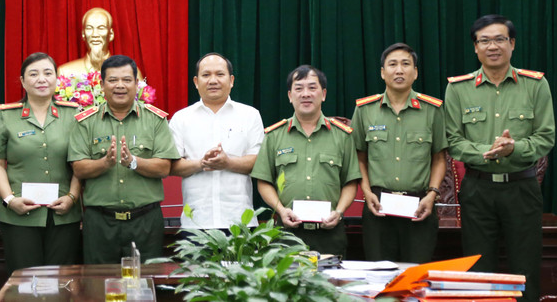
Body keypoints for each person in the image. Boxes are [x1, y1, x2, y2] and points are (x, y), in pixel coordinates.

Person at [444, 15, 554, 302]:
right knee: (479, 270)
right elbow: (453, 142)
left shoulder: (535, 85)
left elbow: (546, 138)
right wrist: (486, 152)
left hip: (522, 189)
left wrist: (513, 148)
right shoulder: (458, 88)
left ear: (512, 43)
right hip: (478, 190)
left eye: (499, 39)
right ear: (475, 48)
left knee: (525, 268)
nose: (492, 46)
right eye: (485, 41)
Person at [68, 54, 179, 263]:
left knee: (145, 286)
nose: (120, 85)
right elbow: (79, 169)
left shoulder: (155, 120)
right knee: (98, 289)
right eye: (113, 80)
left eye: (127, 80)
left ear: (137, 84)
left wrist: (133, 162)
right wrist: (105, 163)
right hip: (100, 222)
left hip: (145, 220)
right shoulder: (85, 122)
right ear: (101, 85)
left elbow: (164, 167)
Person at [0, 52, 82, 275]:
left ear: (57, 79)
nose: (42, 79)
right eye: (34, 74)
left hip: (63, 214)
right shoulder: (7, 116)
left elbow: (81, 162)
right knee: (24, 282)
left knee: (61, 280)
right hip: (20, 214)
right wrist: (10, 199)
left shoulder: (73, 114)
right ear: (22, 81)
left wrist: (72, 197)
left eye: (48, 73)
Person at [351, 43, 447, 263]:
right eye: (392, 64)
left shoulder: (432, 110)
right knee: (379, 281)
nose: (399, 70)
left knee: (416, 279)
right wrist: (366, 193)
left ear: (415, 72)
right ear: (383, 73)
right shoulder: (365, 110)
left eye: (406, 64)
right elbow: (359, 158)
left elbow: (440, 158)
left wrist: (432, 195)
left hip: (420, 207)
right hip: (378, 206)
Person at [251, 65, 360, 257]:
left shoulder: (342, 136)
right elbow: (264, 181)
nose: (305, 94)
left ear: (323, 94)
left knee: (330, 285)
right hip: (287, 233)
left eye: (312, 87)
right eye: (299, 88)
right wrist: (281, 210)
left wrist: (340, 211)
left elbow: (350, 182)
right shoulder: (274, 136)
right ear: (290, 96)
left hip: (329, 233)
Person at [169, 52, 264, 229]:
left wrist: (228, 162)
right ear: (196, 82)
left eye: (220, 74)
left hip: (240, 220)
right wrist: (201, 163)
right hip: (196, 222)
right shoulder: (181, 118)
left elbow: (259, 162)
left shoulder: (250, 115)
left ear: (232, 80)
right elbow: (172, 166)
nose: (213, 80)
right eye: (206, 75)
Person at [58, 7, 115, 76]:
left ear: (111, 35)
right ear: (83, 34)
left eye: (101, 28)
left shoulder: (126, 71)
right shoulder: (66, 73)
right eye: (89, 28)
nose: (95, 34)